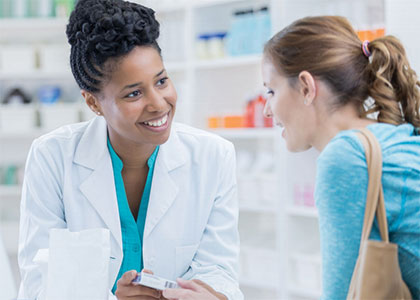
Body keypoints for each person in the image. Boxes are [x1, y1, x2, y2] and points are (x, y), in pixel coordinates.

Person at [164, 15, 420, 300]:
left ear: (307, 88)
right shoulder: (394, 137)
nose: (267, 110)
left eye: (271, 91)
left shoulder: (346, 157)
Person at [17, 1, 243, 299]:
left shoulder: (213, 156)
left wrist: (206, 294)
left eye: (161, 81)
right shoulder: (52, 158)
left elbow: (220, 270)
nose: (159, 103)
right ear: (93, 103)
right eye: (134, 93)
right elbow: (39, 283)